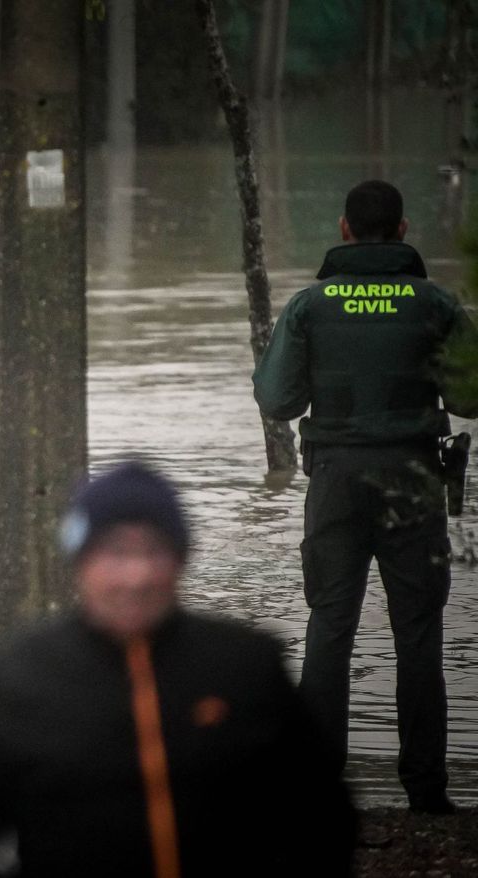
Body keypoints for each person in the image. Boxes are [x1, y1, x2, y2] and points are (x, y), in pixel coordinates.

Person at [0, 462, 355, 877]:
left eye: (154, 551)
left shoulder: (246, 664)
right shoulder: (25, 672)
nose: (136, 576)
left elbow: (322, 817)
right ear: (79, 562)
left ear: (181, 559)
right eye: (115, 553)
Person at [253, 180, 478, 814]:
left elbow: (277, 400)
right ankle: (428, 796)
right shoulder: (434, 303)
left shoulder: (309, 307)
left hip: (336, 481)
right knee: (418, 634)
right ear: (403, 230)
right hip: (412, 478)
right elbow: (470, 396)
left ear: (344, 230)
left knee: (330, 628)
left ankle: (321, 792)